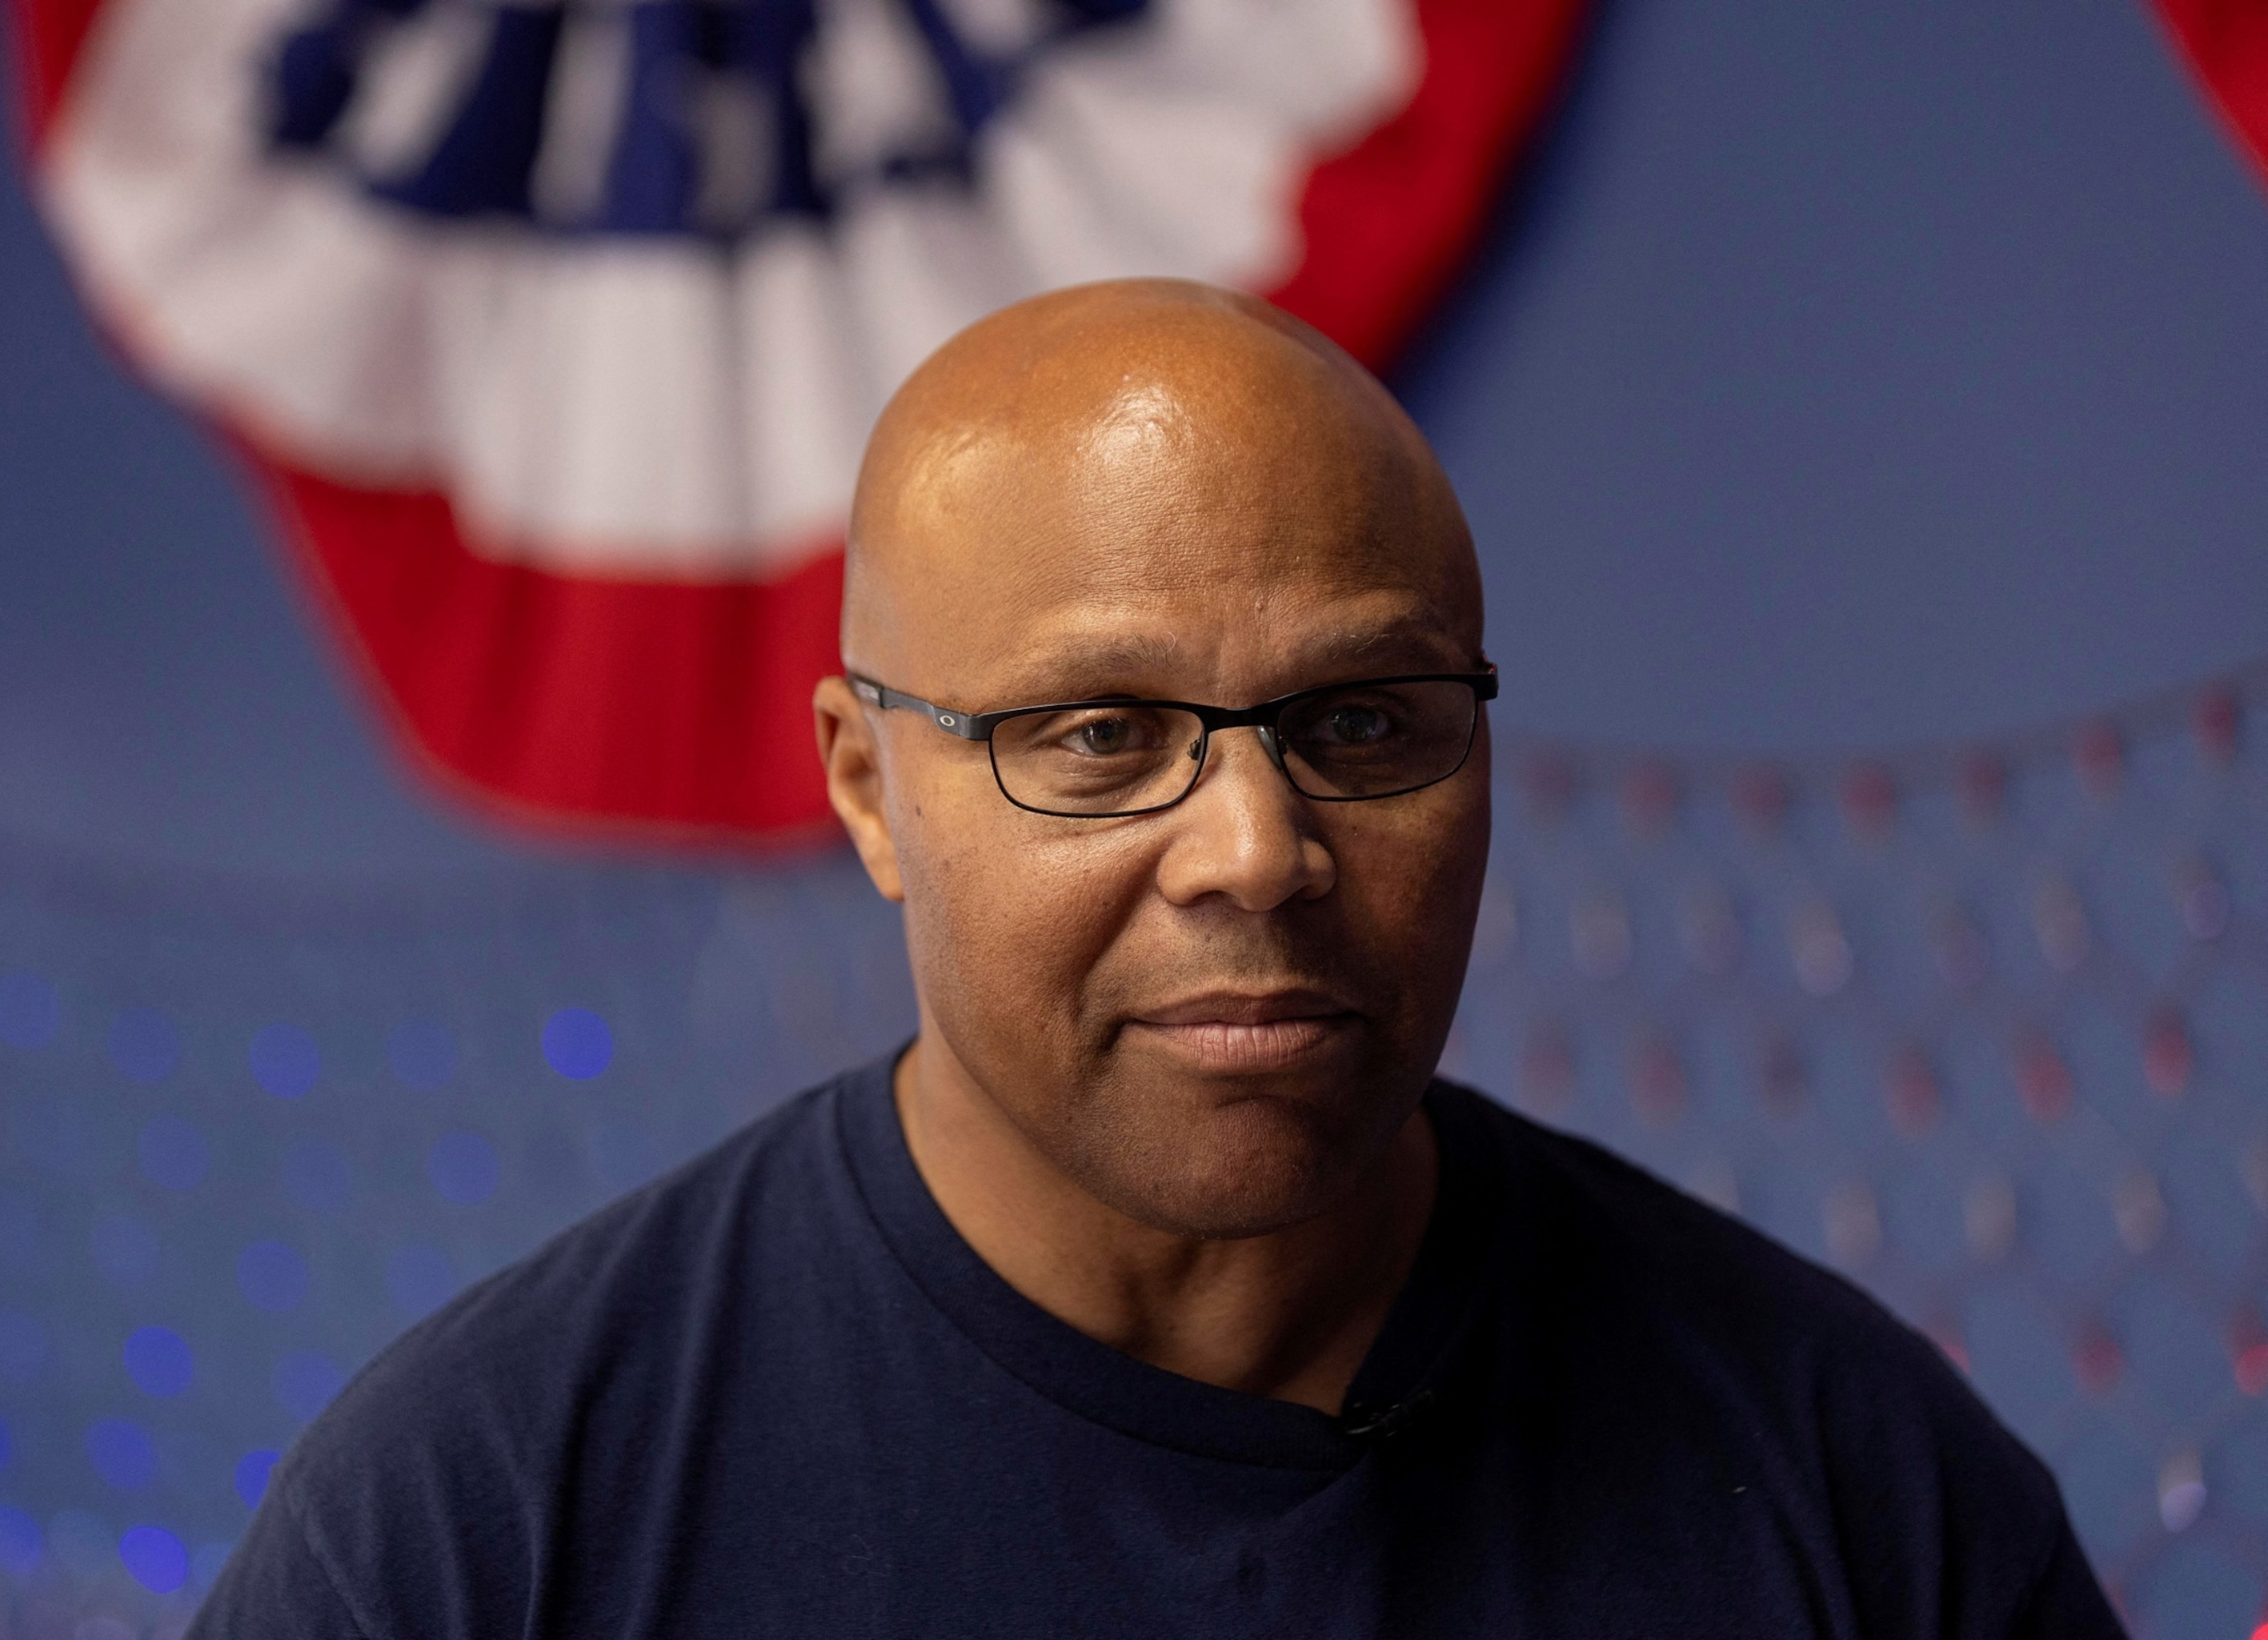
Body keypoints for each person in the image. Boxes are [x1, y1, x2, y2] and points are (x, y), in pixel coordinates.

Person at [192, 281, 2121, 1638]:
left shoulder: (1850, 1478)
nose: (1261, 853)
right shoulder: (489, 1522)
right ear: (871, 789)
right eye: (1099, 734)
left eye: (1363, 721)